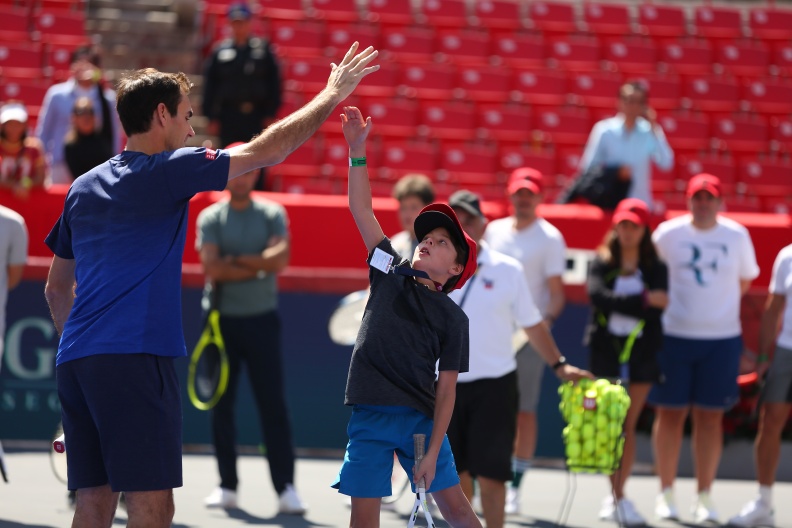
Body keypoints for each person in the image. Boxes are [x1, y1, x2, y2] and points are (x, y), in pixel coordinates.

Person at [43, 43, 378, 527]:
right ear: (160, 114)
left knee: (94, 502)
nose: (192, 128)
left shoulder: (82, 186)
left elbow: (56, 290)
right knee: (151, 506)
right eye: (185, 115)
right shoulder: (169, 170)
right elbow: (272, 150)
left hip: (77, 362)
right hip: (135, 360)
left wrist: (81, 349)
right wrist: (330, 93)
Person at [331, 105, 481, 528]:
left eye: (442, 243)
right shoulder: (389, 271)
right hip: (369, 417)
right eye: (427, 237)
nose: (428, 243)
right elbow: (361, 209)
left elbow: (447, 391)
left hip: (419, 422)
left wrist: (432, 453)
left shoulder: (454, 320)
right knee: (364, 521)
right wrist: (357, 150)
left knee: (457, 511)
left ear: (456, 271)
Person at [447, 189, 591, 528]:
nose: (463, 225)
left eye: (469, 218)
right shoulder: (428, 269)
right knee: (456, 475)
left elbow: (532, 324)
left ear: (484, 225)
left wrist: (559, 364)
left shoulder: (509, 270)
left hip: (496, 386)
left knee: (494, 476)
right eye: (455, 220)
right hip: (446, 387)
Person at [196, 144, 305, 513]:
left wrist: (237, 261)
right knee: (221, 406)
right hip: (220, 322)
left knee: (272, 406)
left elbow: (282, 259)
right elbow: (214, 269)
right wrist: (259, 264)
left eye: (247, 169)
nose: (242, 176)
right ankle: (227, 486)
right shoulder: (210, 218)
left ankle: (286, 488)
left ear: (257, 172)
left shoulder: (272, 213)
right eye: (235, 169)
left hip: (262, 321)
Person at [650, 173, 760, 524]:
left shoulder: (736, 235)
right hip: (674, 336)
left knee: (710, 418)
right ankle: (666, 493)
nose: (702, 204)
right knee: (669, 414)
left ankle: (704, 495)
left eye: (708, 198)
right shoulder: (668, 234)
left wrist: (714, 311)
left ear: (719, 201)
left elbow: (744, 280)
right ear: (688, 200)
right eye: (696, 198)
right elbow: (653, 275)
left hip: (722, 339)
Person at [483, 167, 567, 514]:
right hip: (492, 334)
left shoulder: (550, 238)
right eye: (519, 193)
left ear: (540, 198)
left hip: (529, 338)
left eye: (529, 194)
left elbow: (557, 294)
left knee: (524, 411)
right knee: (485, 408)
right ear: (510, 195)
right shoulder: (494, 231)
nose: (523, 199)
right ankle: (480, 479)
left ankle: (514, 486)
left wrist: (539, 326)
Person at [584, 198, 668, 526]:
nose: (627, 231)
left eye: (633, 225)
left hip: (643, 352)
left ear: (643, 229)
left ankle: (620, 493)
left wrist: (624, 303)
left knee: (627, 425)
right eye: (622, 224)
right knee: (612, 425)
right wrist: (644, 299)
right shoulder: (601, 261)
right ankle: (614, 495)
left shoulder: (656, 266)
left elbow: (662, 304)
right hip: (605, 351)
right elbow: (597, 297)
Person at [727, 243, 792, 527]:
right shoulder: (787, 255)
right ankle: (764, 503)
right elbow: (773, 307)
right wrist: (764, 357)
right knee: (770, 422)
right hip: (787, 349)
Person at [203, 2, 282, 188]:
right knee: (228, 158)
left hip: (256, 117)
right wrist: (211, 117)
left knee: (258, 158)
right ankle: (229, 193)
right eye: (235, 22)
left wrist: (270, 114)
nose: (239, 26)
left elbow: (275, 84)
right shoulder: (219, 51)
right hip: (228, 116)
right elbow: (210, 86)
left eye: (243, 22)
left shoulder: (263, 50)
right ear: (230, 24)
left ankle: (257, 193)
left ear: (250, 23)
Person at [578, 80, 674, 208]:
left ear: (644, 106)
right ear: (619, 101)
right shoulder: (604, 130)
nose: (632, 106)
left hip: (641, 205)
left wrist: (654, 128)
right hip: (611, 205)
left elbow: (666, 163)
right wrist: (614, 172)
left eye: (637, 101)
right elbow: (588, 168)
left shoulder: (649, 131)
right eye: (628, 100)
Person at [36, 45, 120, 184]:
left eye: (89, 64)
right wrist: (40, 163)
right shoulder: (56, 95)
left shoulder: (108, 99)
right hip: (60, 165)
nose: (84, 68)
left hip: (96, 168)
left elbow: (114, 135)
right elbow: (44, 132)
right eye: (80, 62)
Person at [0, 103, 47, 197]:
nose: (14, 128)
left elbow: (40, 178)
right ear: (2, 126)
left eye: (18, 124)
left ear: (25, 125)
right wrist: (14, 186)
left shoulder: (34, 148)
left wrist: (25, 184)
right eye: (9, 124)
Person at [63, 97, 114, 181]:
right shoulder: (70, 145)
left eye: (90, 111)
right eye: (81, 112)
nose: (86, 116)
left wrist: (98, 85)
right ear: (74, 118)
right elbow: (79, 178)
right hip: (86, 191)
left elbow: (106, 111)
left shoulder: (104, 137)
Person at [390, 173, 435, 260]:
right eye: (403, 208)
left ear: (428, 208)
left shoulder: (440, 246)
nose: (407, 213)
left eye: (414, 207)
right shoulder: (394, 244)